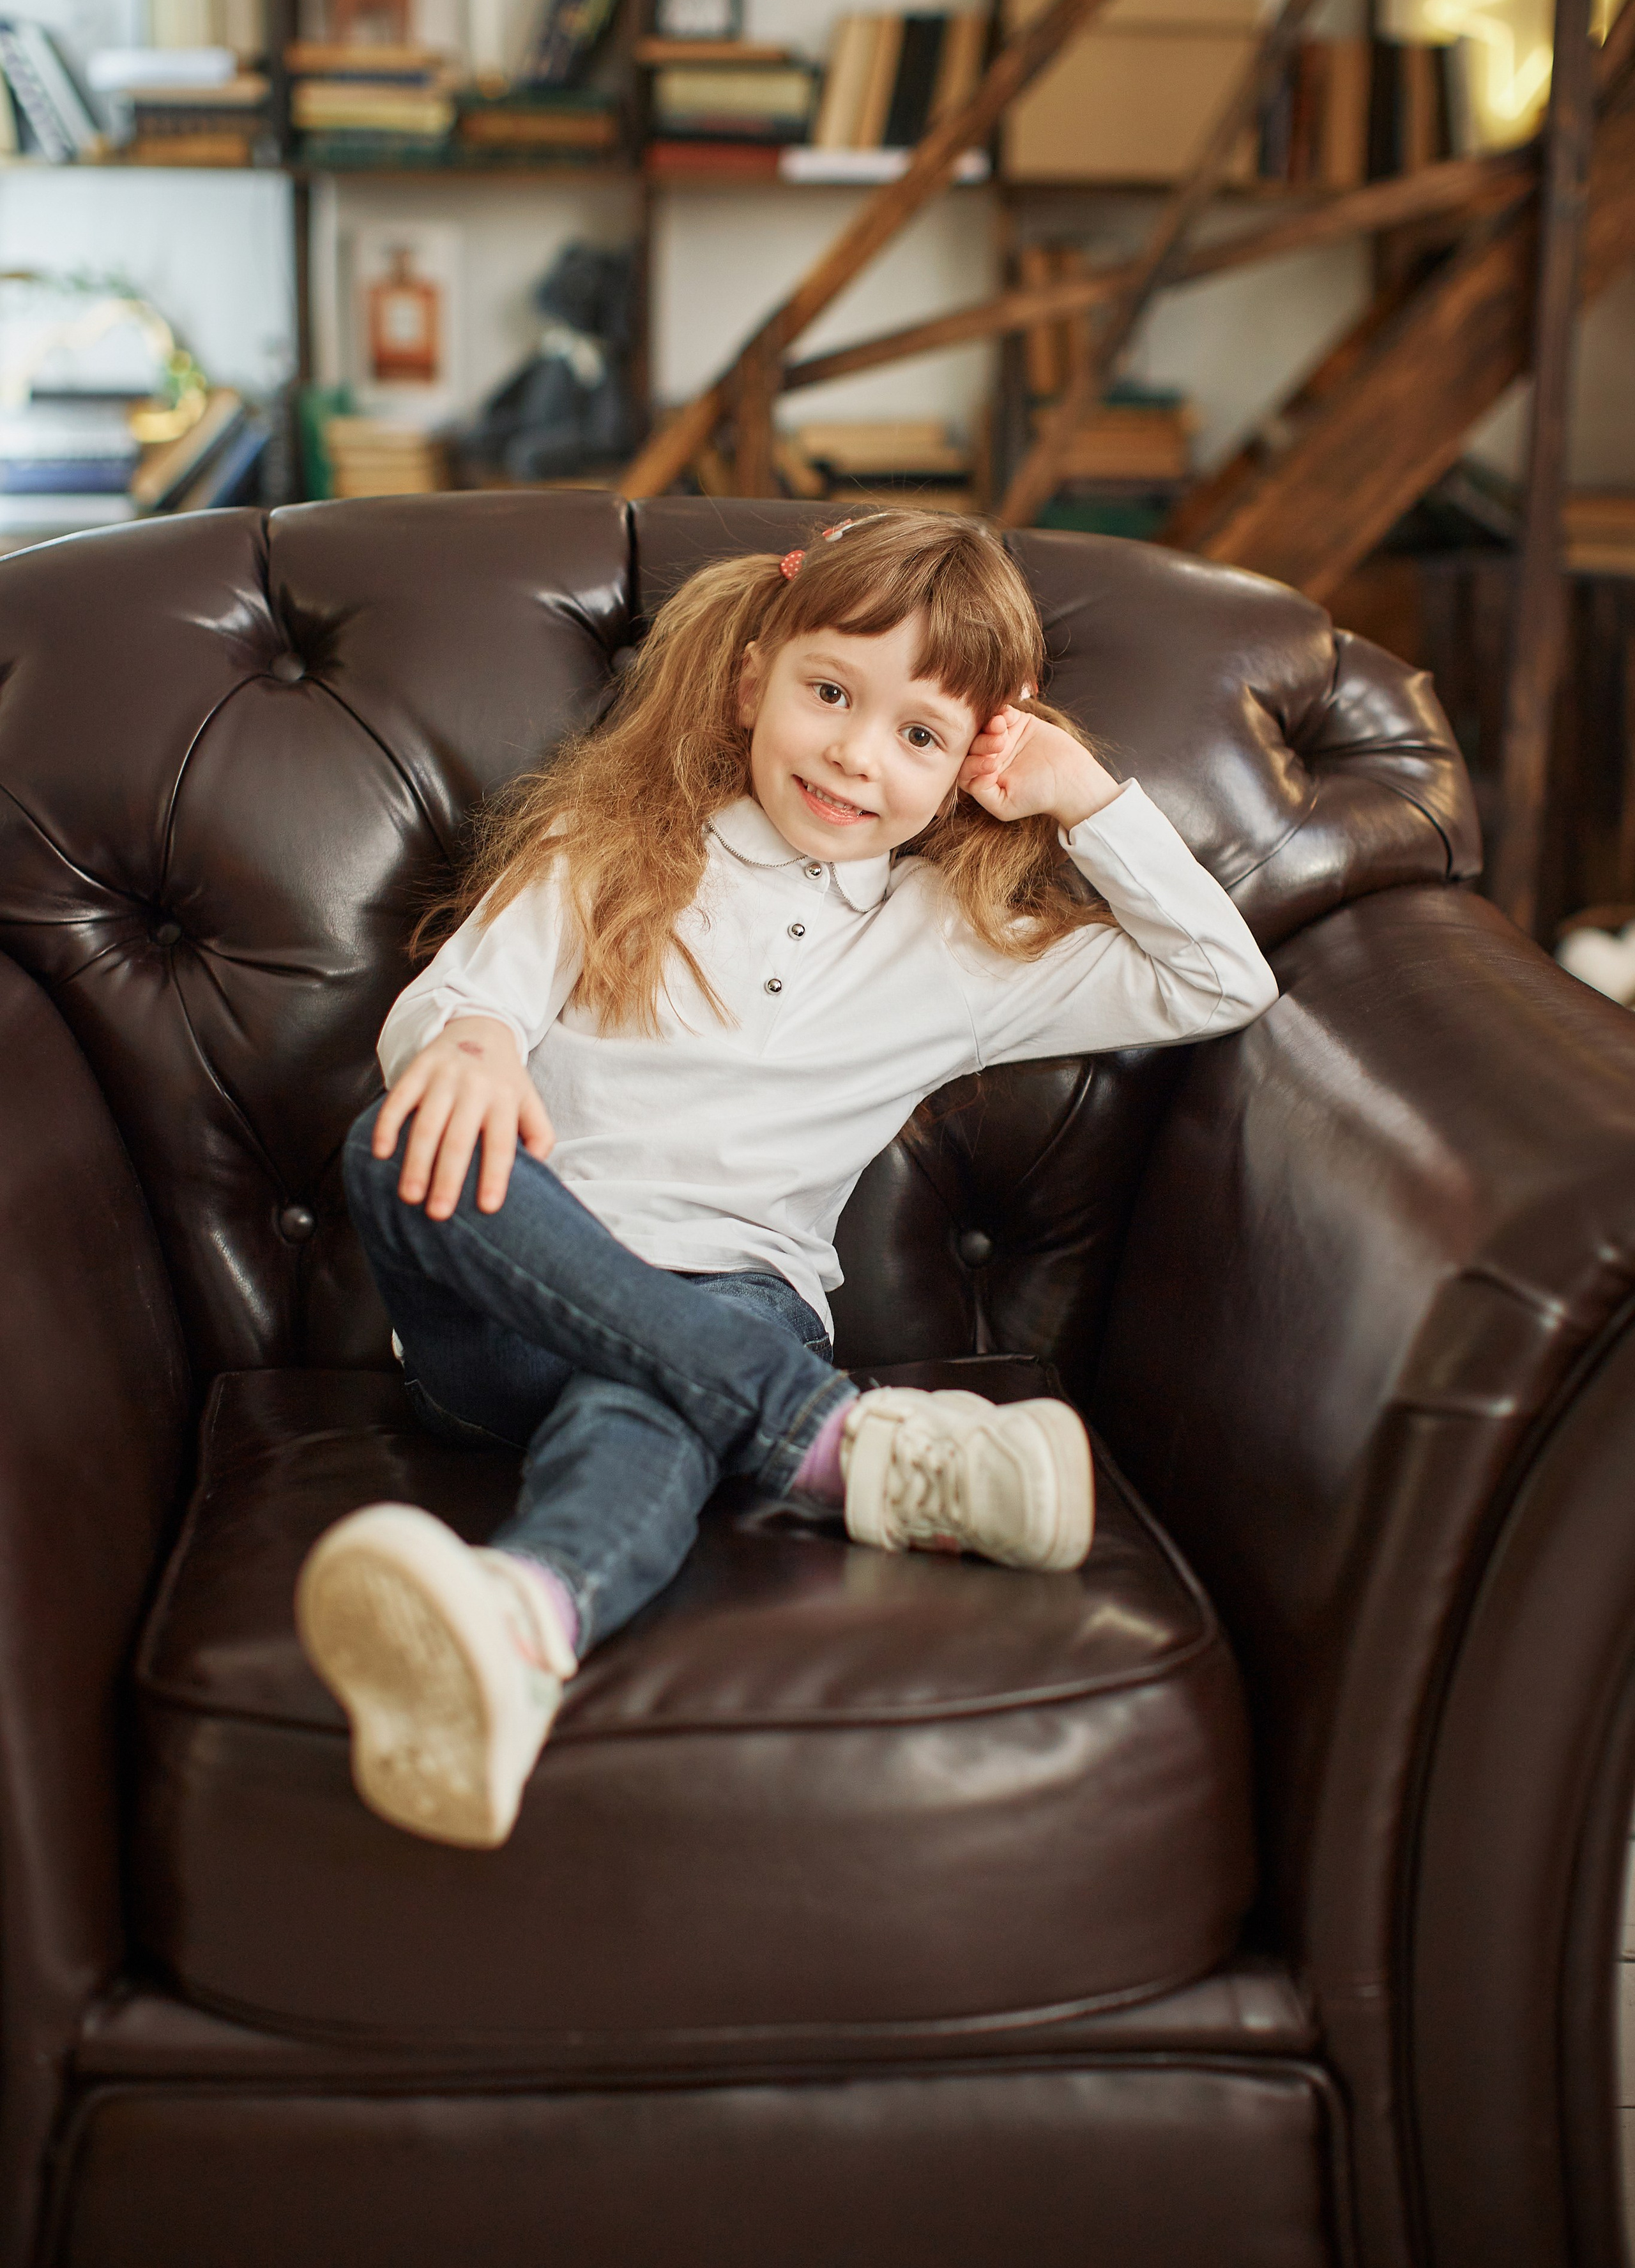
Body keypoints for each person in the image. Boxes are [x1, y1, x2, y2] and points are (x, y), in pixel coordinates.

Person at [296, 510, 1279, 1852]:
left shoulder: (962, 948)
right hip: (507, 1319)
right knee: (387, 1145)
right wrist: (467, 1039)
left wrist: (1078, 794)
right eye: (830, 693)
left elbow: (1218, 980)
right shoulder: (612, 840)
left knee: (636, 1404)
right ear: (754, 677)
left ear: (968, 765)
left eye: (920, 735)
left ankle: (522, 1621)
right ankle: (846, 1441)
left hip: (736, 1302)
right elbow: (461, 1000)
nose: (856, 755)